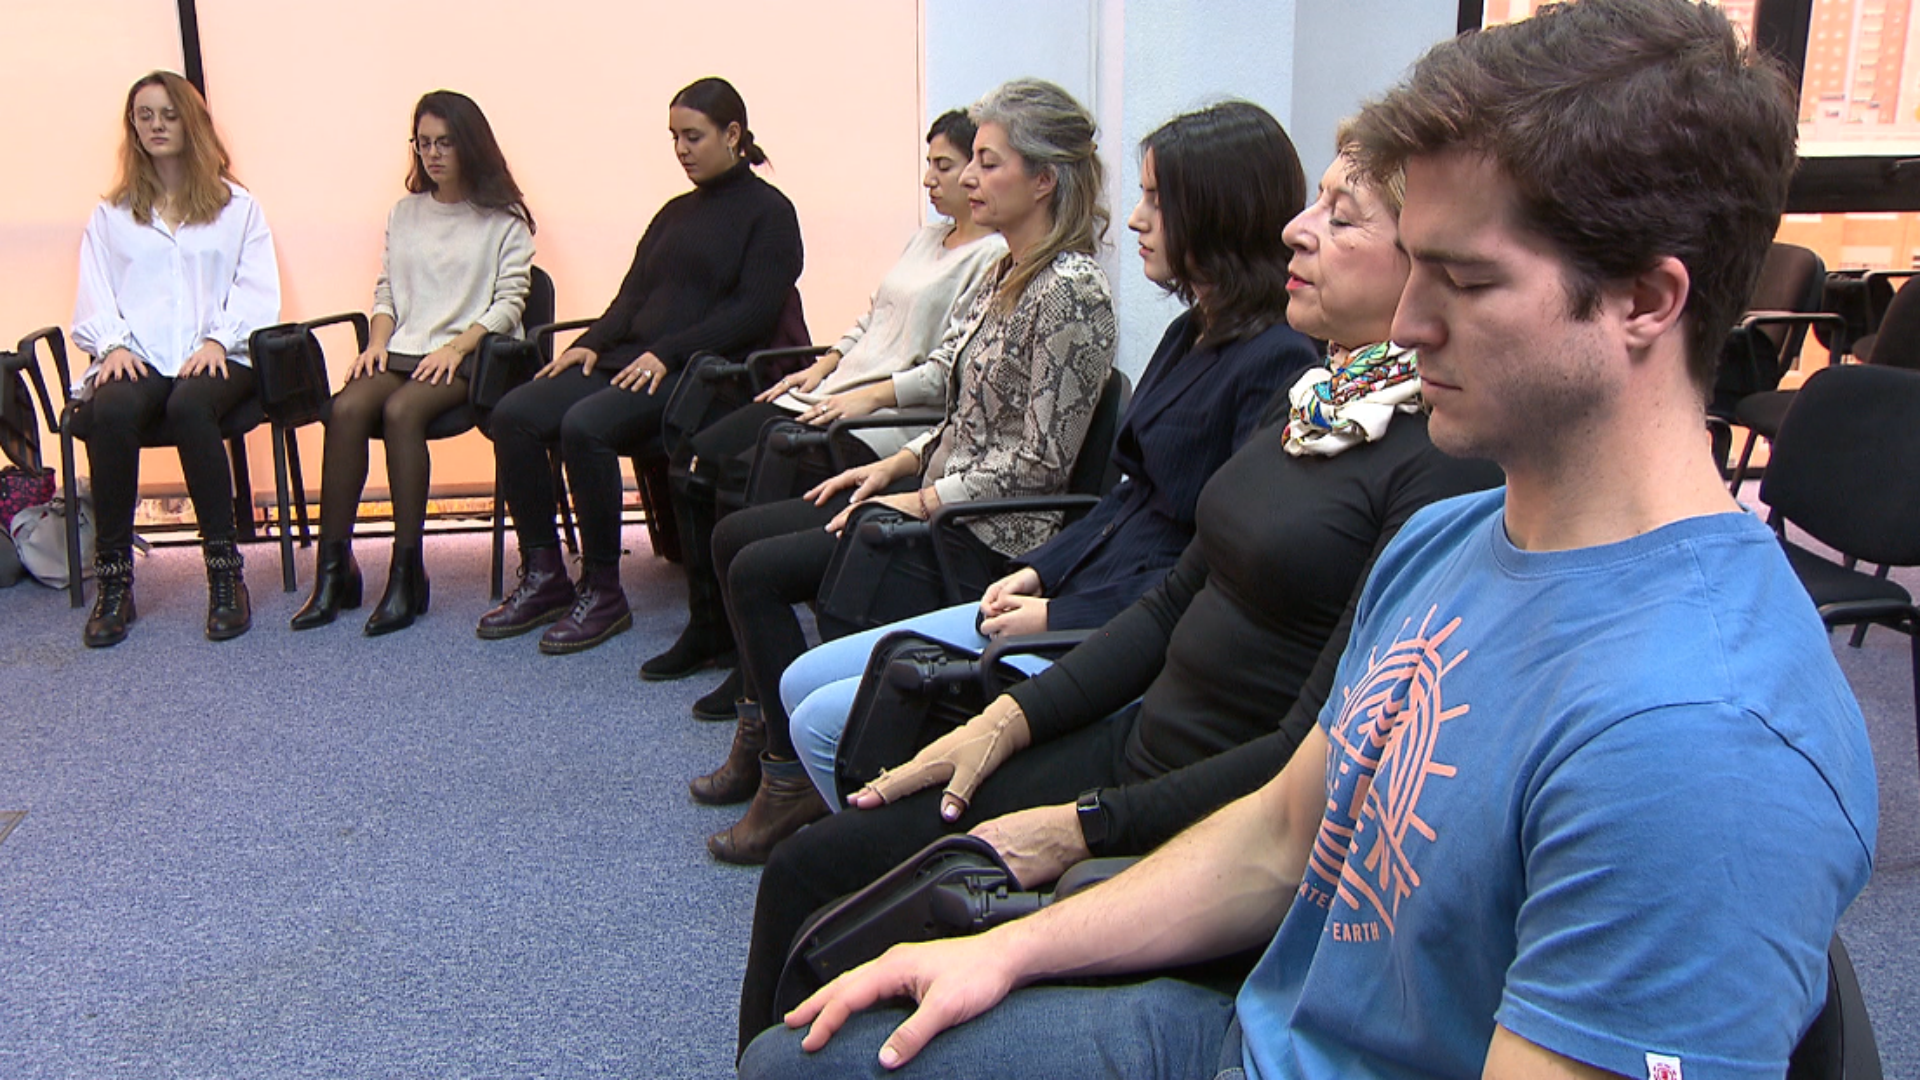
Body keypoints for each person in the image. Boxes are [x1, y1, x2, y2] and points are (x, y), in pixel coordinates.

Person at [738, 3, 1880, 1077]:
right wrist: (1013, 947)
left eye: (1466, 280)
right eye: (1415, 262)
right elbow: (1284, 837)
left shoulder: (1701, 741)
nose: (1409, 323)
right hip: (1251, 1027)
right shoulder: (1453, 540)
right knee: (808, 1048)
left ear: (1645, 301)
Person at [731, 131, 1504, 1055]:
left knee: (829, 922)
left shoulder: (1441, 465)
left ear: (1427, 263)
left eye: (1342, 218)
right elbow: (1176, 597)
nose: (1297, 231)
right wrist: (1009, 720)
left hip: (1200, 812)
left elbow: (1301, 761)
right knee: (812, 868)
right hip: (1136, 748)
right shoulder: (1318, 395)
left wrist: (1084, 825)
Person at [777, 100, 1321, 808]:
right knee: (799, 682)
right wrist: (1040, 571)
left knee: (822, 722)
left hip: (1116, 624)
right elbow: (1127, 498)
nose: (1135, 219)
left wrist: (1058, 615)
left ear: (1219, 211)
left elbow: (1203, 568)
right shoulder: (1191, 331)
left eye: (1157, 201)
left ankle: (887, 839)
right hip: (1079, 580)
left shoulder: (1278, 361)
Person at [696, 78, 1117, 866]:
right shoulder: (1005, 272)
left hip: (992, 536)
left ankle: (788, 773)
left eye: (987, 163)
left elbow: (1038, 463)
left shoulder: (1071, 293)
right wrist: (895, 464)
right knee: (743, 543)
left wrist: (921, 499)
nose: (968, 179)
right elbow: (963, 409)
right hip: (947, 497)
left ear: (1044, 180)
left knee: (758, 568)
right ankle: (779, 753)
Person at [642, 108, 1008, 706]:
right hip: (836, 393)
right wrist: (826, 363)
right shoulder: (926, 238)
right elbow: (872, 317)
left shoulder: (989, 258)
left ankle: (751, 656)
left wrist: (861, 395)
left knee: (741, 471)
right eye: (930, 164)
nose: (930, 178)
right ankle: (713, 628)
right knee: (695, 460)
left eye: (944, 165)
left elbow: (947, 370)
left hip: (882, 419)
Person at [476, 76, 802, 654]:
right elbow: (632, 297)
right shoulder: (673, 213)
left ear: (733, 134)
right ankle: (545, 574)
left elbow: (751, 315)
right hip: (634, 361)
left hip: (703, 375)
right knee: (515, 413)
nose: (681, 149)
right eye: (674, 137)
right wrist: (592, 343)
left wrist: (668, 353)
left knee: (586, 426)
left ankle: (603, 590)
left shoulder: (771, 213)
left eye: (693, 136)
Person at [290, 90, 534, 636]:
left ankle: (407, 573)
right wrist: (376, 342)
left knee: (402, 412)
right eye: (423, 143)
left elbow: (509, 303)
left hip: (471, 355)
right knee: (346, 408)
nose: (433, 154)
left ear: (470, 144)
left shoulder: (504, 219)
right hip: (405, 347)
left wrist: (457, 348)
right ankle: (334, 570)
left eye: (445, 142)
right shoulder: (405, 213)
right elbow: (387, 292)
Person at [70, 70, 280, 648]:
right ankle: (115, 581)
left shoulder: (237, 207)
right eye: (145, 115)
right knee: (110, 411)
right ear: (132, 127)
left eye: (168, 114)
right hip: (139, 354)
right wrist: (112, 345)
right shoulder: (112, 215)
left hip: (219, 354)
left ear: (191, 123)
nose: (157, 125)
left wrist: (218, 340)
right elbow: (95, 292)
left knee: (190, 406)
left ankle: (225, 574)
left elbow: (257, 292)